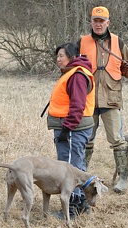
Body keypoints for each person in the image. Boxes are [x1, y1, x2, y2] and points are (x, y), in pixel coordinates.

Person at [78, 6, 128, 193]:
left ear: (108, 23)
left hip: (111, 99)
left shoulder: (118, 42)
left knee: (118, 141)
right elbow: (71, 66)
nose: (98, 24)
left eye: (102, 21)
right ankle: (80, 176)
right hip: (88, 99)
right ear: (91, 22)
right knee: (86, 140)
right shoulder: (82, 42)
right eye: (95, 21)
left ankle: (123, 180)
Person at [47, 42, 95, 218]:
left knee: (69, 168)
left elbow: (77, 105)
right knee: (77, 164)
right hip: (73, 127)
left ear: (73, 57)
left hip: (72, 129)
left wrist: (67, 129)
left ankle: (73, 206)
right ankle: (82, 202)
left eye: (62, 55)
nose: (58, 59)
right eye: (57, 56)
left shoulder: (77, 76)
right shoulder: (74, 73)